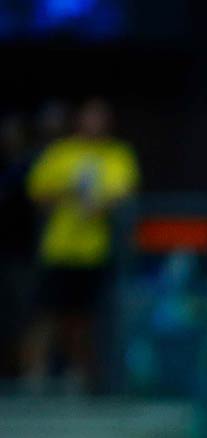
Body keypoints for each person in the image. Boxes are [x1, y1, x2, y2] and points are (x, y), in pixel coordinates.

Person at [20, 97, 137, 392]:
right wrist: (68, 191)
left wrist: (100, 202)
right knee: (45, 313)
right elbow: (36, 191)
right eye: (89, 116)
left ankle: (77, 375)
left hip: (94, 251)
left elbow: (123, 192)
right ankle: (34, 373)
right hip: (59, 248)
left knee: (83, 319)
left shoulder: (117, 154)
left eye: (100, 117)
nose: (94, 123)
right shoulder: (61, 152)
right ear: (79, 119)